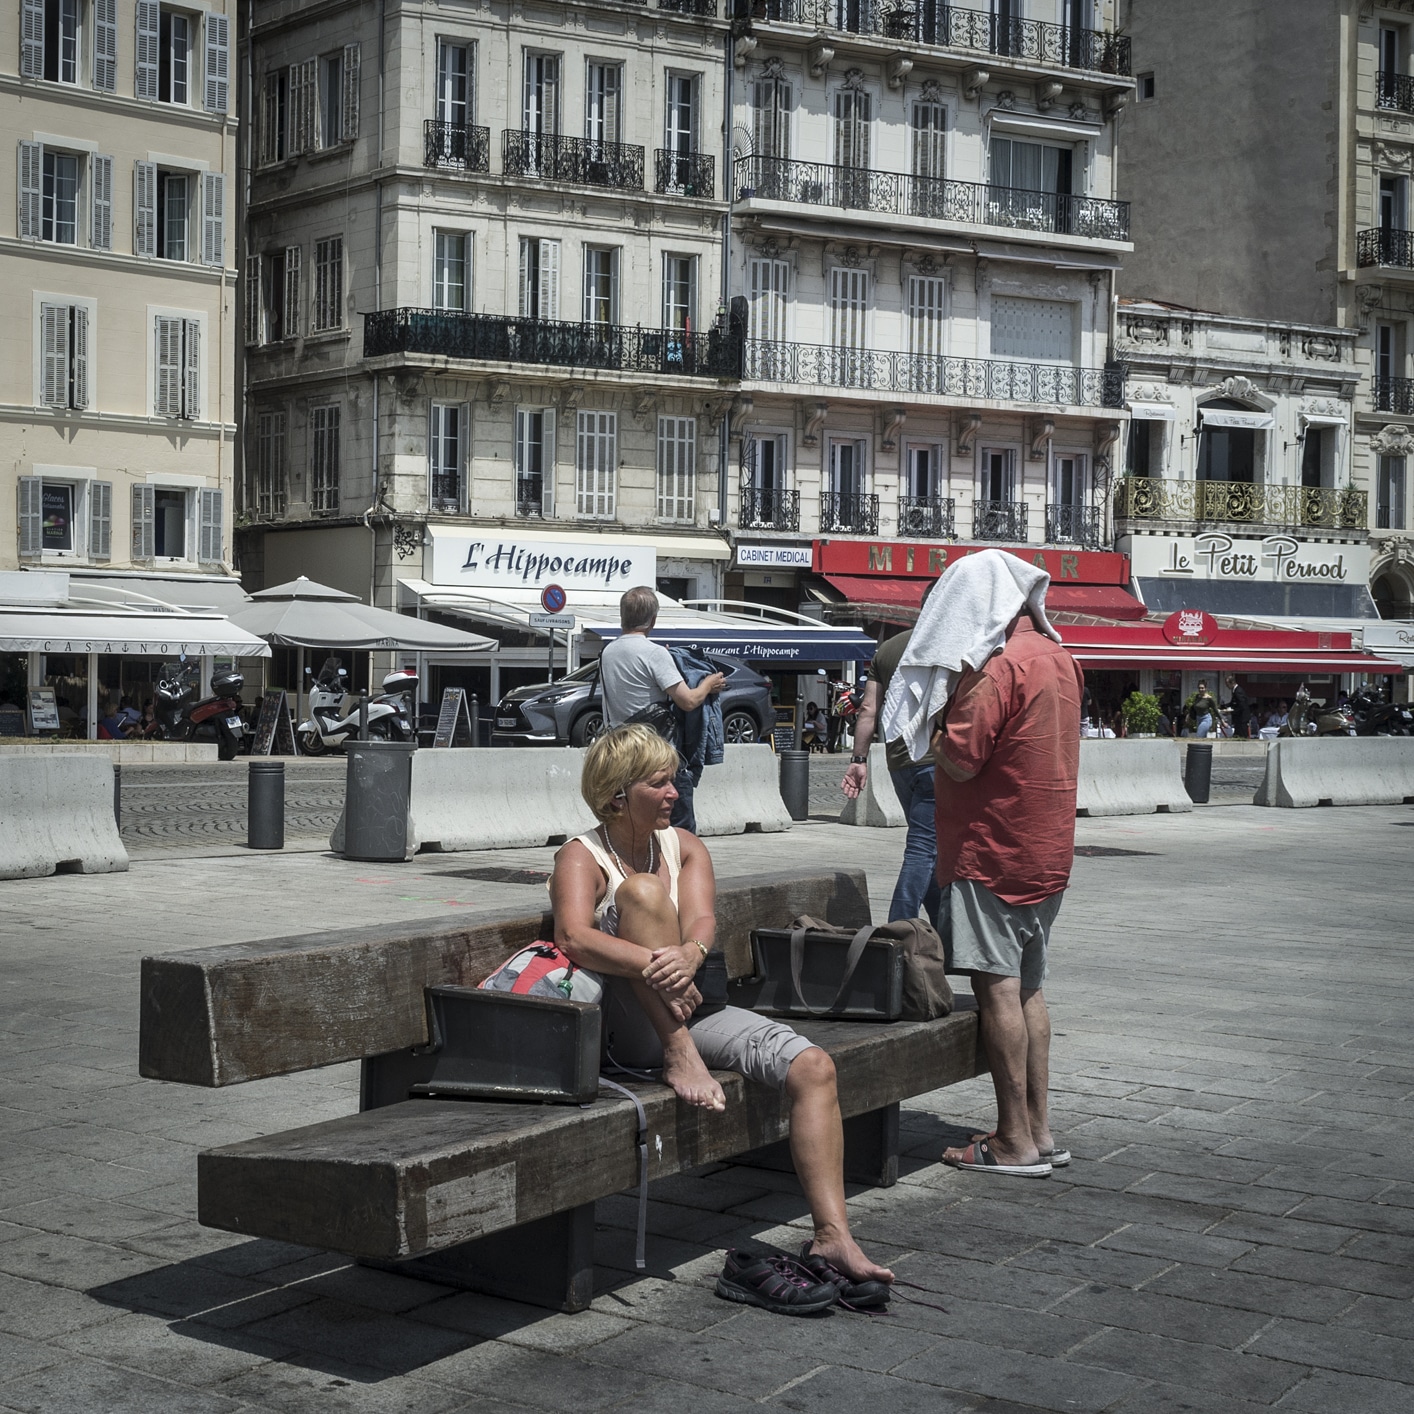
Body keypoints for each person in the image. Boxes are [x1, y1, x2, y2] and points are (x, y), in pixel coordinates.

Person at [549, 724, 893, 1289]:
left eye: (673, 781)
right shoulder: (581, 856)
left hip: (697, 1006)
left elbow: (705, 920)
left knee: (815, 1067)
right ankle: (678, 1051)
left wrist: (690, 952)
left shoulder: (683, 846)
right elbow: (574, 938)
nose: (674, 793)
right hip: (627, 1029)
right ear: (617, 794)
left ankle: (834, 1236)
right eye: (659, 784)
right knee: (640, 892)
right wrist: (653, 966)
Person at [879, 549, 1081, 1178]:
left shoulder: (996, 668)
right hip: (1047, 848)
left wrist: (932, 725)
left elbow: (963, 759)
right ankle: (1042, 1130)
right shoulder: (1059, 656)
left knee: (996, 989)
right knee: (1031, 988)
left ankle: (1013, 1140)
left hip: (992, 846)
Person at [842, 585, 945, 932]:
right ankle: (896, 932)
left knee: (930, 850)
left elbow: (868, 709)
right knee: (923, 849)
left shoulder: (889, 648)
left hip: (899, 760)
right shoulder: (952, 643)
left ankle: (945, 936)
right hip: (937, 760)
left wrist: (859, 759)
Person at [598, 586, 725, 833]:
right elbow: (687, 701)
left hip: (623, 751)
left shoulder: (608, 652)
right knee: (679, 828)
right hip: (655, 752)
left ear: (622, 616)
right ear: (653, 620)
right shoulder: (654, 653)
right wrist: (709, 684)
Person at [1224, 675, 1252, 739]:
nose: (1226, 686)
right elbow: (1233, 703)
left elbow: (1241, 706)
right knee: (1237, 735)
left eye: (1227, 684)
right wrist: (1224, 706)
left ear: (1232, 682)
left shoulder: (1238, 691)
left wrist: (1231, 712)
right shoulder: (1235, 691)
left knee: (1242, 736)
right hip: (1239, 719)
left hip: (1242, 718)